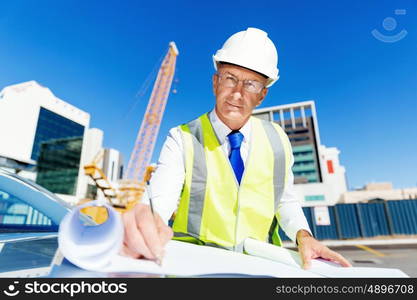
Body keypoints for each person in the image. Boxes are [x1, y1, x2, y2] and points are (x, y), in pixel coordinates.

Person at [121, 27, 351, 269]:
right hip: (196, 268)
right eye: (230, 78)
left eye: (251, 85)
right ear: (215, 82)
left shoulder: (278, 139)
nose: (238, 93)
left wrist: (304, 236)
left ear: (262, 95)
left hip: (262, 268)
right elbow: (160, 197)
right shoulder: (182, 138)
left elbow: (284, 199)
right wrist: (146, 220)